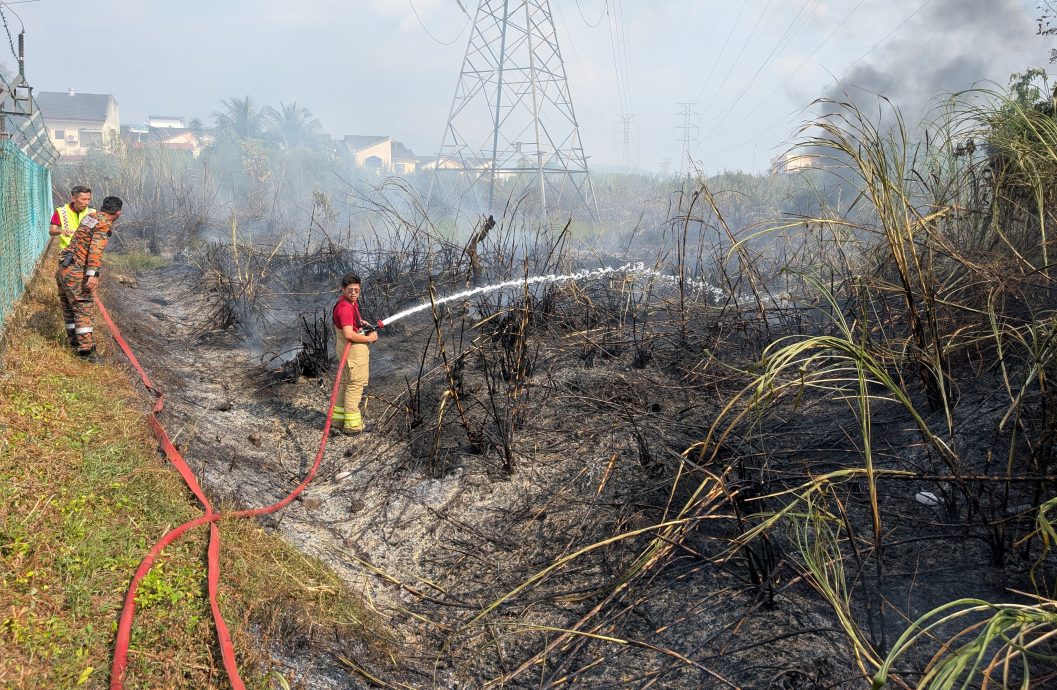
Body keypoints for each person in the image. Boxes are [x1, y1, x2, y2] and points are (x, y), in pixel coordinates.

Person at [55, 196, 123, 360]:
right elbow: (95, 250)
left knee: (69, 308)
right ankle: (86, 352)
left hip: (64, 267)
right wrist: (93, 274)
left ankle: (74, 344)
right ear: (118, 213)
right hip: (76, 271)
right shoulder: (104, 223)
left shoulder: (90, 217)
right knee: (83, 307)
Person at [332, 273, 378, 433]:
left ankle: (337, 421)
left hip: (346, 352)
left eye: (356, 290)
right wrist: (370, 338)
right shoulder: (345, 308)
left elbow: (349, 325)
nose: (353, 293)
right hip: (352, 355)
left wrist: (360, 322)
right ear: (343, 289)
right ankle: (352, 426)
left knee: (346, 384)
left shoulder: (348, 303)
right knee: (354, 386)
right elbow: (348, 334)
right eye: (350, 290)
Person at [49, 185, 95, 251]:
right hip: (66, 251)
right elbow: (52, 231)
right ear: (74, 198)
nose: (87, 203)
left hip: (85, 251)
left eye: (88, 199)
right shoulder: (61, 211)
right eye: (84, 199)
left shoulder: (92, 211)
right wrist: (61, 231)